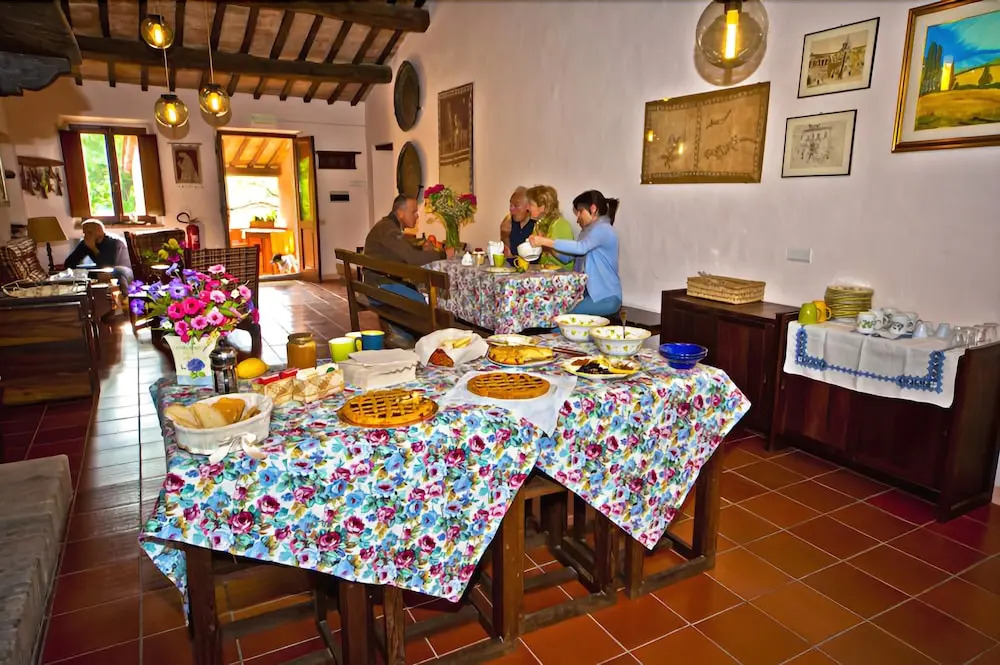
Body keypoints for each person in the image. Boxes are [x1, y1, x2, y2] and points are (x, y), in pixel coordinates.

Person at [363, 195, 453, 344]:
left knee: (418, 294)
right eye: (414, 212)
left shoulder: (387, 226)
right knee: (423, 306)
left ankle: (404, 335)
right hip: (380, 286)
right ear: (400, 213)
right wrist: (443, 254)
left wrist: (421, 249)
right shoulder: (388, 229)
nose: (417, 216)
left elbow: (402, 251)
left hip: (376, 283)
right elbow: (412, 258)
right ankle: (418, 341)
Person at [529, 189, 621, 316]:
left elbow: (581, 248)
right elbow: (569, 258)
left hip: (605, 297)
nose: (578, 217)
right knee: (554, 307)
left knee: (563, 316)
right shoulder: (588, 231)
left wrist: (546, 241)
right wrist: (548, 248)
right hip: (588, 294)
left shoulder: (604, 229)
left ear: (593, 209)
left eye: (580, 211)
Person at [63, 218, 134, 290]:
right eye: (84, 233)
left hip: (123, 271)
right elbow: (69, 264)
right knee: (80, 272)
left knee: (117, 271)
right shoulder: (85, 242)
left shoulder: (114, 243)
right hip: (101, 270)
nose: (86, 236)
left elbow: (109, 265)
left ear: (100, 231)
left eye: (89, 233)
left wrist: (93, 248)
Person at [526, 185, 574, 270]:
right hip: (546, 272)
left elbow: (567, 258)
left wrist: (545, 244)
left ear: (542, 207)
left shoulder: (561, 224)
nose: (527, 208)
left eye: (531, 204)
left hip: (563, 274)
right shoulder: (539, 225)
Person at [499, 186, 535, 259]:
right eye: (511, 204)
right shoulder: (508, 222)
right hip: (513, 264)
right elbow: (507, 254)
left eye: (516, 205)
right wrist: (505, 236)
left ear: (528, 207)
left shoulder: (538, 224)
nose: (511, 208)